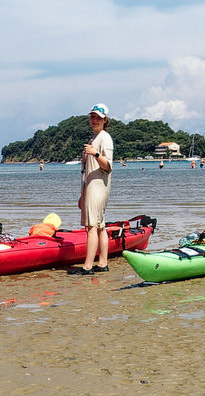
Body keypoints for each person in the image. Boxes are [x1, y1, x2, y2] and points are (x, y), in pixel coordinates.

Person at [68, 103, 114, 276]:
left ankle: (88, 266)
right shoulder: (94, 138)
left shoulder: (104, 138)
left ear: (105, 120)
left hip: (98, 186)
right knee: (100, 226)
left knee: (91, 226)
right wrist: (82, 194)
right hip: (91, 187)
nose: (94, 120)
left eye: (98, 118)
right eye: (92, 117)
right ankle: (102, 263)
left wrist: (95, 153)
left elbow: (108, 166)